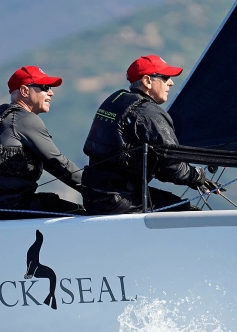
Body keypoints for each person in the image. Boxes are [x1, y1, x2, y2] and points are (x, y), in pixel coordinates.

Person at [80, 55, 220, 215]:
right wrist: (197, 176)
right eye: (166, 77)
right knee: (184, 211)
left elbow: (159, 164)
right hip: (119, 200)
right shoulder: (149, 114)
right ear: (147, 81)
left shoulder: (117, 101)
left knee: (169, 202)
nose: (171, 83)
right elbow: (172, 165)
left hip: (94, 196)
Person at [0, 65, 84, 221]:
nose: (51, 92)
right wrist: (97, 189)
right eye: (45, 87)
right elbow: (58, 162)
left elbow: (50, 164)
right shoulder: (24, 119)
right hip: (10, 206)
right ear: (24, 91)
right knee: (81, 214)